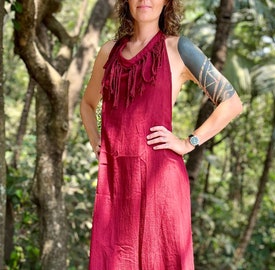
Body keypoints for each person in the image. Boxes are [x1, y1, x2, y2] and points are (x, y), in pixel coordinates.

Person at [80, 0, 243, 269]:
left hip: (161, 184)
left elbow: (232, 103)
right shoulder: (108, 52)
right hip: (116, 184)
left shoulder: (179, 49)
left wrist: (189, 142)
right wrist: (97, 142)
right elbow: (87, 104)